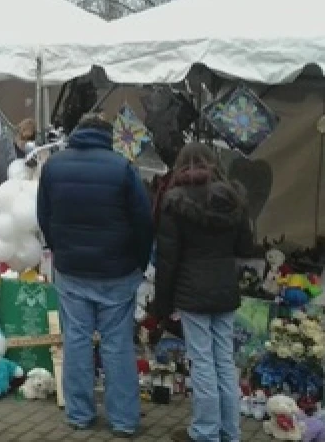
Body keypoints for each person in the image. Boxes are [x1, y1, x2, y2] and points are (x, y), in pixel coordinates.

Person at [37, 113, 153, 438]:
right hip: (117, 270)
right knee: (117, 345)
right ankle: (124, 421)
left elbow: (44, 215)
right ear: (109, 136)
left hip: (72, 270)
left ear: (77, 133)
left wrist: (59, 249)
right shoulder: (123, 168)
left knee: (75, 342)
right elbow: (143, 222)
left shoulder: (54, 167)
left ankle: (79, 414)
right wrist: (139, 263)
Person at [154, 142, 253, 442]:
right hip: (224, 288)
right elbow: (245, 248)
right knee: (224, 360)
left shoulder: (174, 201)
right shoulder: (234, 198)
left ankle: (206, 432)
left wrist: (162, 304)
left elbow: (167, 259)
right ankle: (230, 432)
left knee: (203, 363)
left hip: (191, 290)